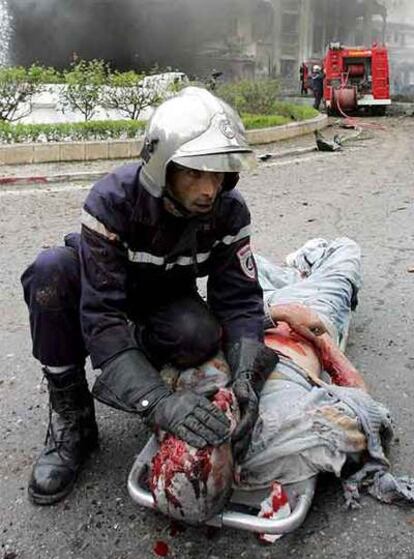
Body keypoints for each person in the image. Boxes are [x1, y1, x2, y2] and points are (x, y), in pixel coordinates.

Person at [21, 86, 285, 506]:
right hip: (99, 291)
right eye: (194, 173)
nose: (208, 190)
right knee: (50, 273)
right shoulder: (112, 200)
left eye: (217, 174)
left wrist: (245, 376)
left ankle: (134, 357)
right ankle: (73, 418)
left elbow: (239, 300)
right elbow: (102, 316)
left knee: (198, 335)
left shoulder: (229, 211)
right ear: (163, 166)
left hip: (161, 300)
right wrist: (158, 401)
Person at [149, 238, 414, 524]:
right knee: (346, 249)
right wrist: (325, 345)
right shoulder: (288, 433)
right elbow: (367, 411)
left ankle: (298, 271)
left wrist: (275, 313)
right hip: (308, 314)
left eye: (191, 426)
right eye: (210, 432)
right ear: (232, 470)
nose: (219, 401)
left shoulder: (174, 403)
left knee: (243, 262)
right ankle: (309, 262)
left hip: (256, 312)